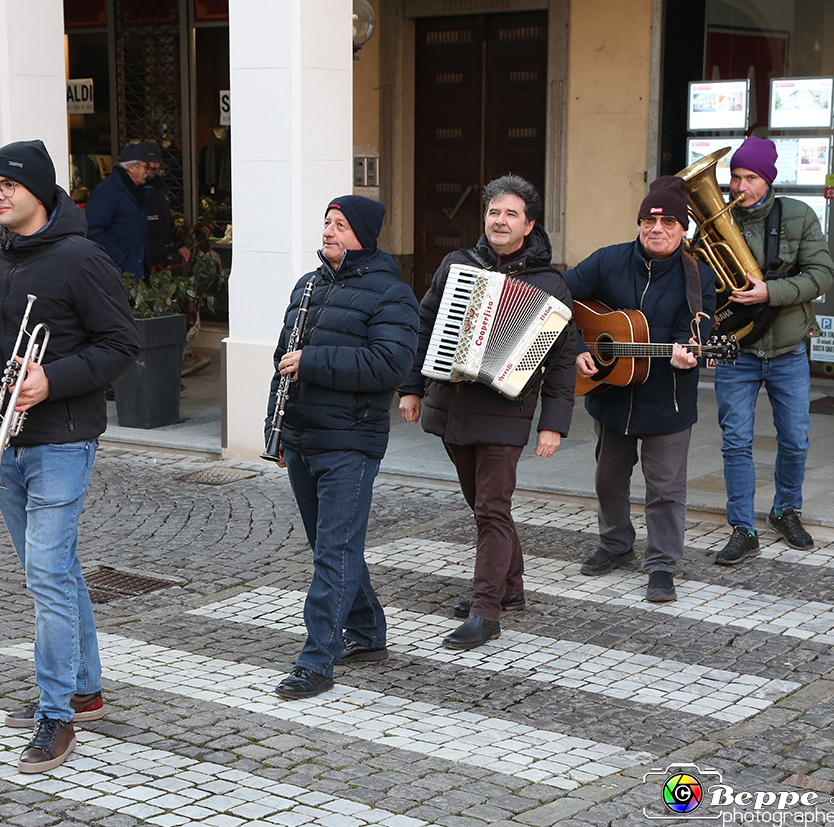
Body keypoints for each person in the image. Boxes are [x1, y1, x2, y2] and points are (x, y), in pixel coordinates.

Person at [0, 139, 139, 773]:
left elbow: (122, 345)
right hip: (5, 442)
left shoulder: (80, 258)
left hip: (63, 439)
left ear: (39, 191)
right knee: (56, 570)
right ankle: (85, 690)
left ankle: (55, 715)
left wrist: (52, 380)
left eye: (7, 184)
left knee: (45, 574)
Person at [398, 175, 575, 650]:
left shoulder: (550, 282)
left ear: (529, 224)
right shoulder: (458, 264)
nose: (500, 220)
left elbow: (561, 360)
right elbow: (426, 324)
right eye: (494, 211)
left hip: (506, 412)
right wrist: (411, 387)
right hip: (454, 407)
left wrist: (554, 424)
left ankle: (486, 610)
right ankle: (509, 588)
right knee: (483, 505)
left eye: (511, 214)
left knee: (492, 508)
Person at [265, 195, 419, 699]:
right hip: (303, 437)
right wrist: (277, 428)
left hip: (350, 442)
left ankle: (317, 661)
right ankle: (369, 632)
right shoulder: (306, 285)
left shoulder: (391, 294)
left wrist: (313, 360)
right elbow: (282, 359)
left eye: (342, 225)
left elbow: (389, 366)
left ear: (364, 236)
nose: (329, 231)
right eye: (327, 222)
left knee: (334, 551)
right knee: (333, 546)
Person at [563, 176, 717, 603]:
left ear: (683, 229)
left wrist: (690, 355)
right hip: (611, 395)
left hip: (667, 402)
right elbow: (555, 295)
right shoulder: (606, 262)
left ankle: (662, 563)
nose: (658, 229)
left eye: (670, 222)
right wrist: (577, 347)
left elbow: (697, 330)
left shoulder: (699, 276)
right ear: (638, 225)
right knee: (609, 479)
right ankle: (615, 544)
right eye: (650, 221)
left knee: (666, 489)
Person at [712, 137, 834, 566]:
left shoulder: (799, 216)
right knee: (736, 441)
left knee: (795, 439)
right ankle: (742, 528)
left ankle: (786, 510)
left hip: (786, 350)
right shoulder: (715, 219)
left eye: (750, 178)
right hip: (738, 351)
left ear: (768, 181)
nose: (739, 187)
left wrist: (771, 291)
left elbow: (822, 275)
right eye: (735, 177)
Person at [85, 141, 161, 280]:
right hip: (118, 273)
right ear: (131, 167)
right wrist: (119, 260)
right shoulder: (108, 191)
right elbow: (91, 231)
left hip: (137, 272)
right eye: (145, 166)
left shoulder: (137, 190)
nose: (147, 171)